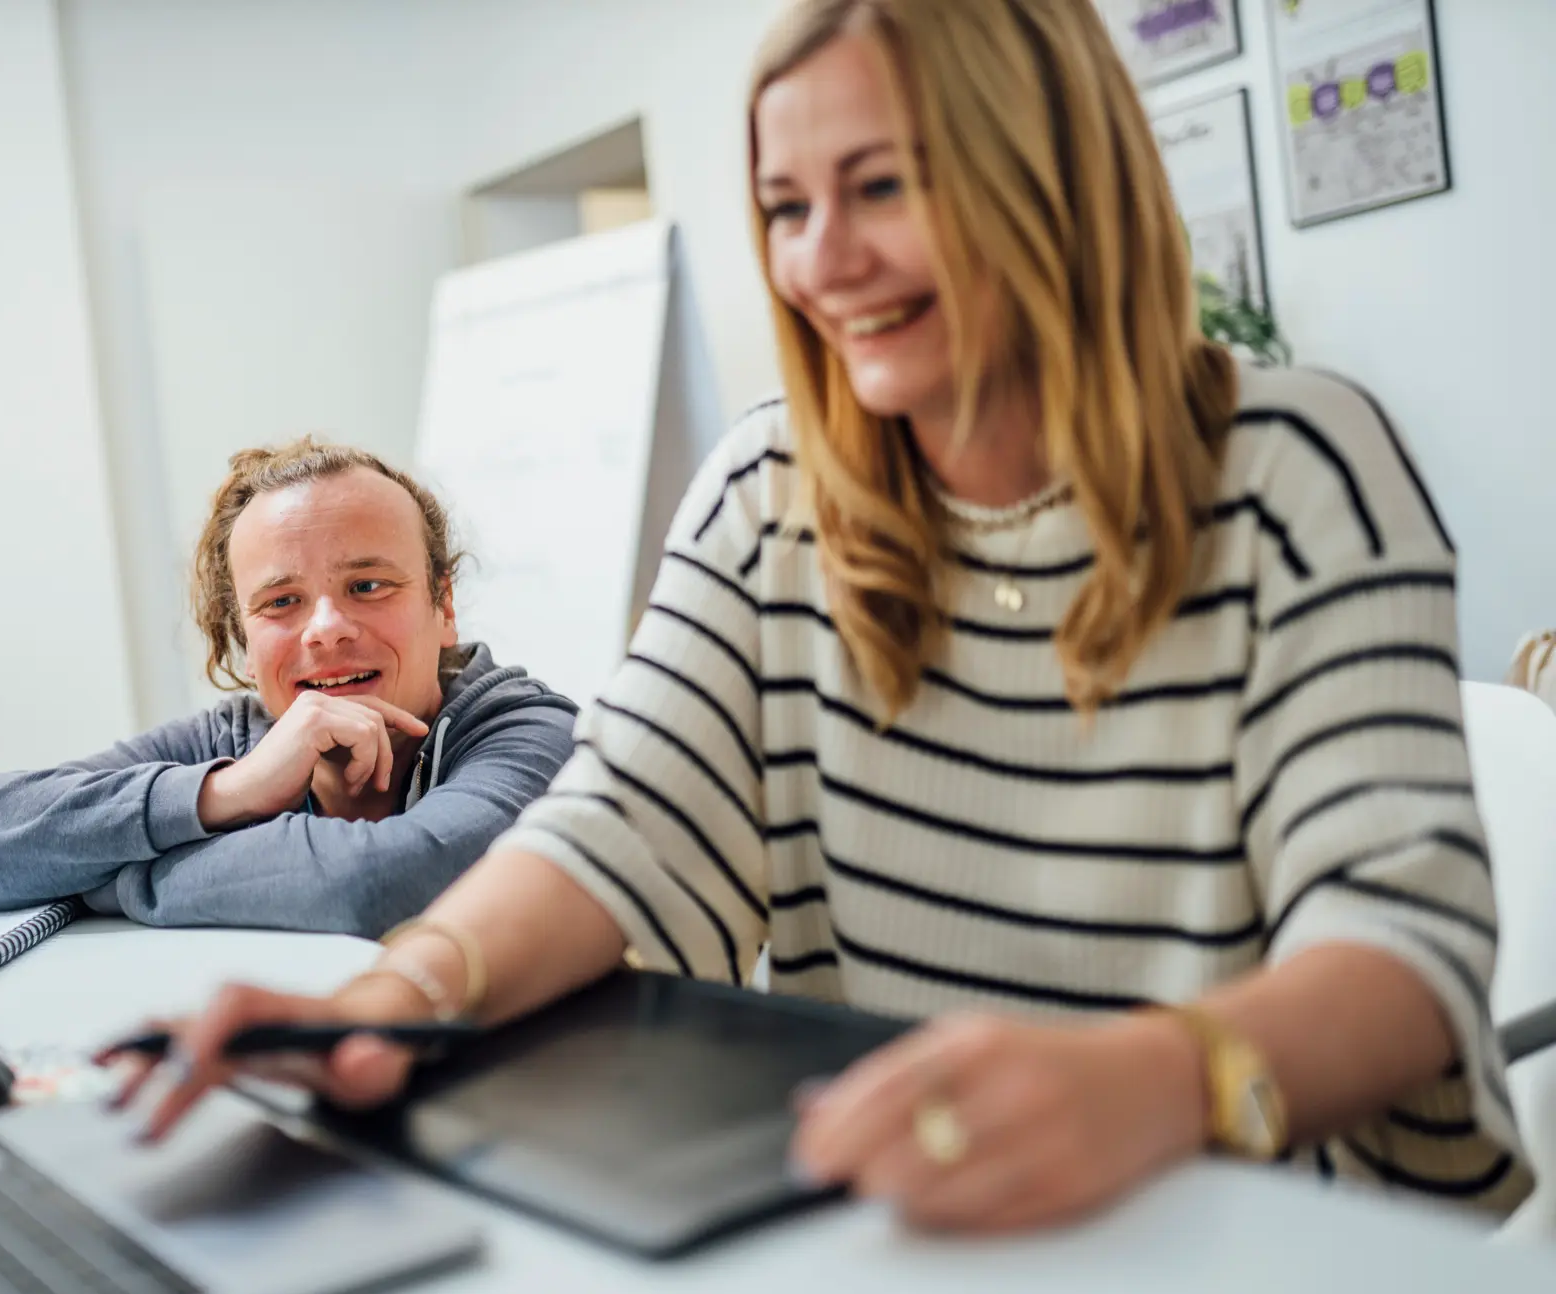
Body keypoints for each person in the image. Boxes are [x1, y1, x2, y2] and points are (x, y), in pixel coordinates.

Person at [116, 0, 1532, 1231]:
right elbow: (627, 831)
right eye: (789, 208)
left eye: (882, 187)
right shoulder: (766, 493)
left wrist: (1154, 1078)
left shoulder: (1294, 468)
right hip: (918, 1212)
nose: (823, 260)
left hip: (1283, 1229)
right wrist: (397, 999)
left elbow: (1399, 952)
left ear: (1042, 176)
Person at [0, 439, 578, 937]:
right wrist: (225, 791)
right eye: (282, 601)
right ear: (243, 636)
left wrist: (114, 878)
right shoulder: (236, 739)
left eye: (368, 586)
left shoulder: (534, 733)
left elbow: (379, 886)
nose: (326, 628)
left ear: (444, 603)